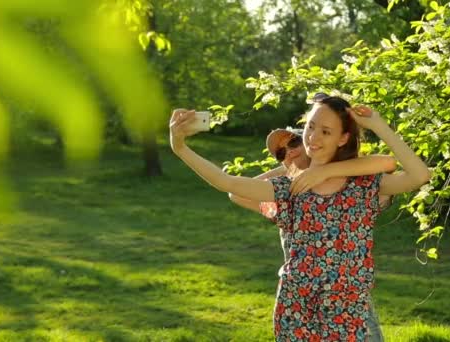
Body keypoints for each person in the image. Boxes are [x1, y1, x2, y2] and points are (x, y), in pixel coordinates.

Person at [169, 93, 431, 341]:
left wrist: (378, 125)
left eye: (326, 131)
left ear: (343, 138)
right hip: (296, 309)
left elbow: (419, 175)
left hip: (348, 309)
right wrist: (179, 147)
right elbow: (227, 184)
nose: (313, 137)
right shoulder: (290, 188)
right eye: (311, 126)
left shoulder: (363, 185)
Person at [228, 127, 395, 342]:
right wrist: (291, 171)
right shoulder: (287, 197)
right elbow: (236, 193)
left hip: (348, 301)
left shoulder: (352, 185)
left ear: (312, 144)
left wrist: (327, 169)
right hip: (301, 302)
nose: (288, 151)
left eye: (294, 142)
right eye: (281, 153)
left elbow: (388, 165)